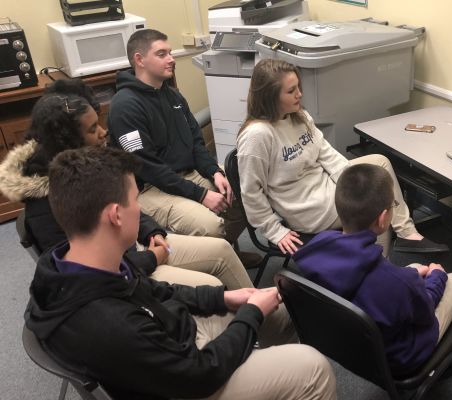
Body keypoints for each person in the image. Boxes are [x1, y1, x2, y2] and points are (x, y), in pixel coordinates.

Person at [25, 146, 336, 400]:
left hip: (173, 344)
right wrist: (250, 315)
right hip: (189, 382)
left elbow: (155, 291)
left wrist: (225, 297)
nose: (140, 210)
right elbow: (199, 375)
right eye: (136, 201)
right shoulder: (109, 323)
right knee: (313, 368)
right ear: (116, 216)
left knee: (276, 315)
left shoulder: (75, 263)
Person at [0, 80, 253, 290]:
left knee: (221, 250)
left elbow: (131, 210)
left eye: (99, 123)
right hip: (124, 277)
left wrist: (154, 232)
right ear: (67, 140)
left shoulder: (88, 167)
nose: (103, 133)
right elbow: (88, 276)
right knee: (210, 285)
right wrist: (150, 259)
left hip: (138, 249)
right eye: (92, 129)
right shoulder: (47, 206)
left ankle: (265, 321)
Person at [293, 163, 452, 399]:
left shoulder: (318, 247)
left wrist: (413, 275)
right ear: (383, 219)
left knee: (412, 269)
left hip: (352, 349)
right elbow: (425, 312)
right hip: (401, 357)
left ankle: (450, 367)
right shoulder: (394, 282)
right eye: (393, 206)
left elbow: (388, 283)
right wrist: (436, 277)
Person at [237, 58, 448, 256]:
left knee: (379, 164)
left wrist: (352, 183)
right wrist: (274, 230)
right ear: (270, 96)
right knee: (375, 200)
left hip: (328, 187)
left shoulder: (298, 116)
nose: (300, 94)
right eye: (291, 91)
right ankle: (380, 269)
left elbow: (326, 153)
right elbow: (251, 192)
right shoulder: (258, 135)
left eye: (298, 87)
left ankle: (407, 234)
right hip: (309, 208)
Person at [107, 29, 260, 267]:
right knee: (210, 226)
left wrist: (214, 172)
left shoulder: (173, 96)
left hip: (187, 175)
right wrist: (200, 195)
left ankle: (222, 255)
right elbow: (148, 168)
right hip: (149, 188)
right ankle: (209, 260)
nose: (171, 59)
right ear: (139, 60)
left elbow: (196, 142)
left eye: (170, 52)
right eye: (162, 54)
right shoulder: (124, 107)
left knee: (245, 194)